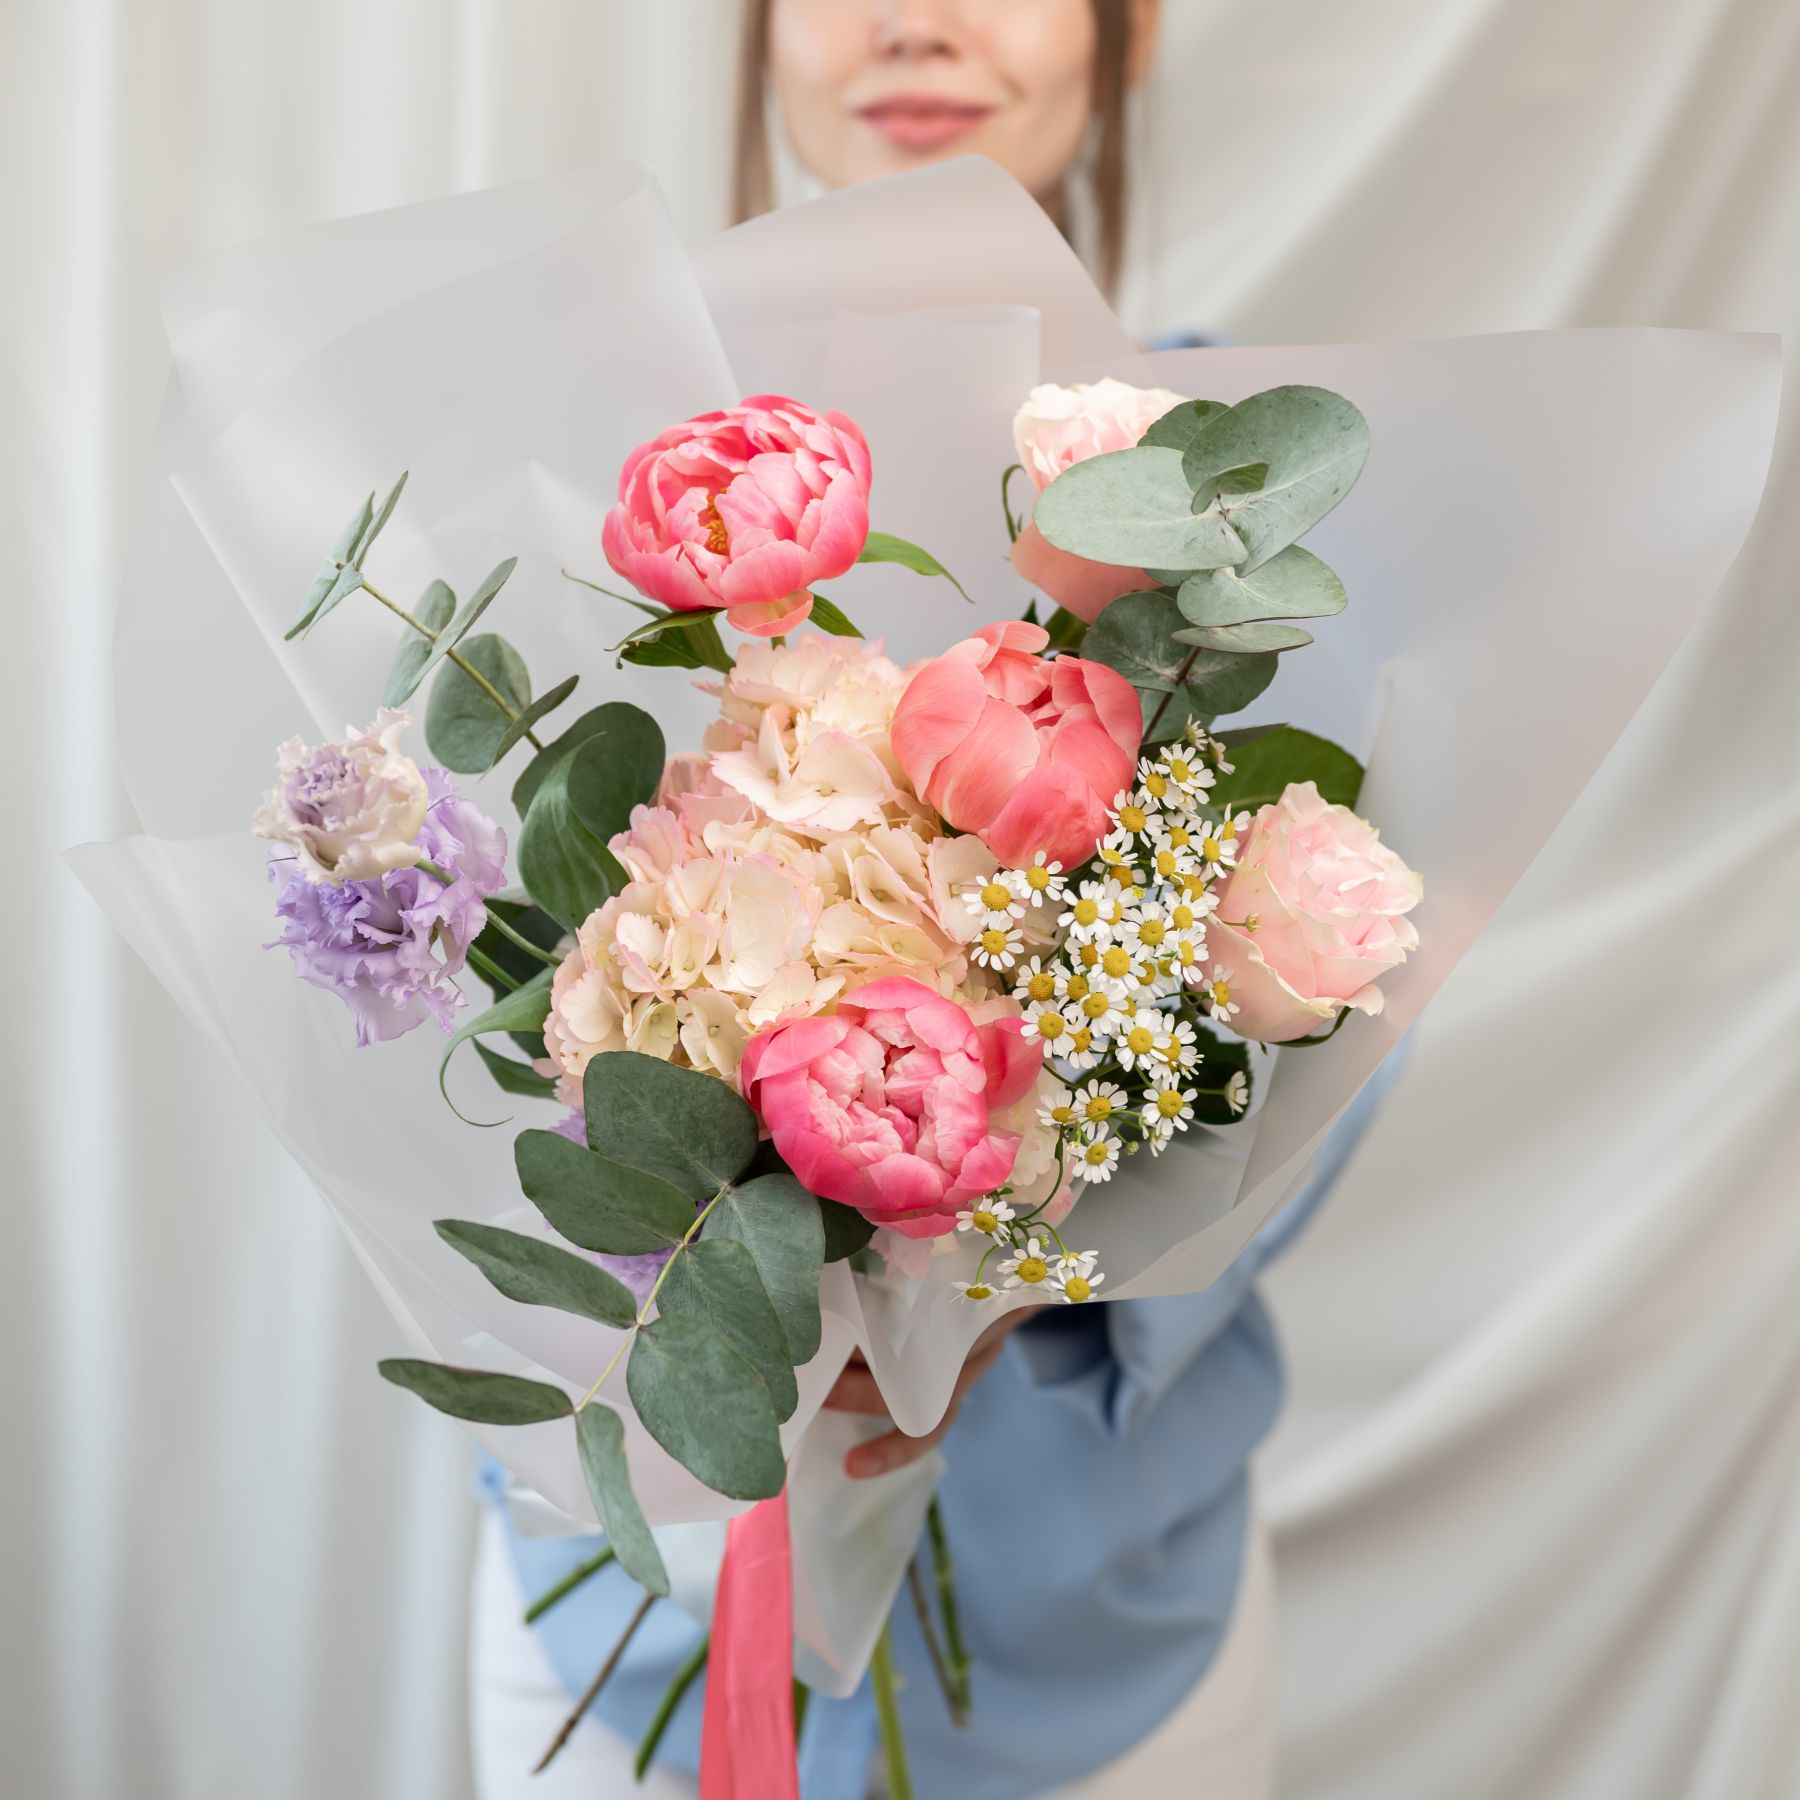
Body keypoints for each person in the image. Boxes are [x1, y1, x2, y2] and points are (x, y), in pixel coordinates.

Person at [470, 6, 1403, 1795]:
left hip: (1092, 1632)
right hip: (627, 1615)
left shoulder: (1236, 497)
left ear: (1128, 30)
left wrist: (1007, 1291)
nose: (917, 16)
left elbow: (1353, 967)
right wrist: (716, 1255)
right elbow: (468, 927)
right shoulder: (608, 455)